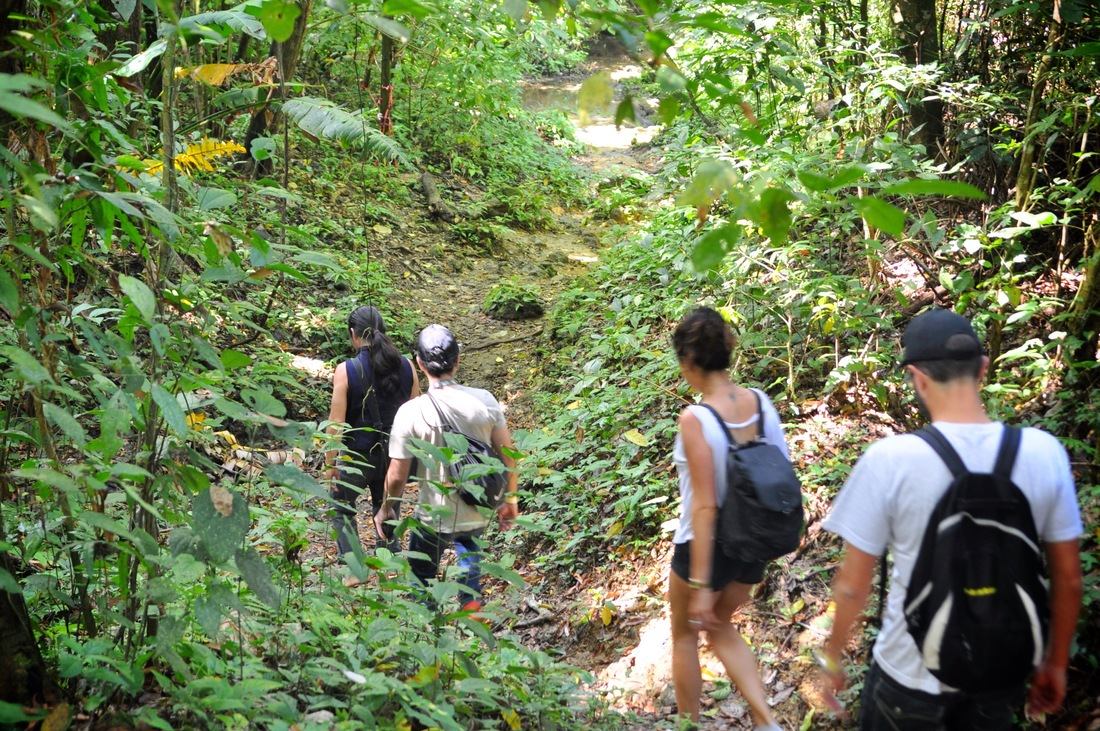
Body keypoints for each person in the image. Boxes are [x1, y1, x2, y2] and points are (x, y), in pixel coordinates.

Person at [818, 308, 1084, 729]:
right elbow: (1068, 579)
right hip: (1002, 674)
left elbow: (852, 586)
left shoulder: (890, 460)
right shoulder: (1043, 452)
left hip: (908, 676)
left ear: (917, 378)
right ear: (983, 368)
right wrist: (1054, 664)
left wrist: (832, 657)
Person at [670, 307, 787, 731]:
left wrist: (701, 585)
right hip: (754, 541)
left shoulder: (696, 419)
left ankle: (688, 726)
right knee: (721, 627)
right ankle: (766, 720)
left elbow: (704, 506)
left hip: (706, 547)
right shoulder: (761, 402)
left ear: (688, 362)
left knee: (685, 636)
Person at [373, 324, 519, 613]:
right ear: (458, 360)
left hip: (432, 515)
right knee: (470, 581)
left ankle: (428, 631)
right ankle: (472, 626)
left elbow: (397, 475)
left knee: (419, 580)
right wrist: (509, 499)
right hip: (474, 510)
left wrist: (386, 509)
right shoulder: (485, 401)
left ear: (419, 364)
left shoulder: (410, 412)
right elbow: (508, 457)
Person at [325, 306, 419, 580]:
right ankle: (390, 571)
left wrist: (330, 465)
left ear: (353, 335)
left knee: (341, 507)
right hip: (394, 456)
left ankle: (355, 569)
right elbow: (416, 412)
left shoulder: (346, 370)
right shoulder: (407, 365)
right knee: (387, 508)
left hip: (357, 456)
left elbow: (335, 423)